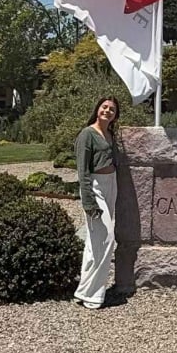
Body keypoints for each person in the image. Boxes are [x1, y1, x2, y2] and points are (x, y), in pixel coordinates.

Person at [74, 96, 121, 309]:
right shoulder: (87, 134)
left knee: (94, 242)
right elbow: (82, 171)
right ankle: (92, 294)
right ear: (97, 109)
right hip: (96, 187)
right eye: (105, 107)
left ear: (115, 115)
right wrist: (89, 202)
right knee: (107, 238)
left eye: (112, 109)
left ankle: (83, 290)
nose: (107, 111)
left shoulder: (111, 134)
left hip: (111, 184)